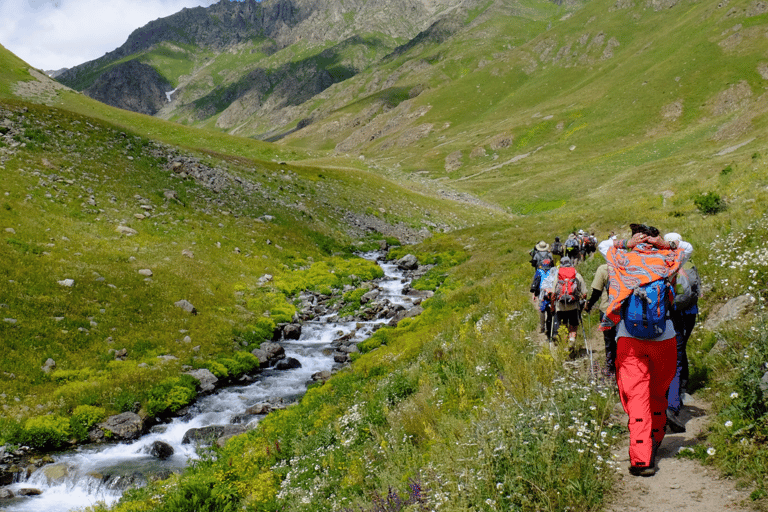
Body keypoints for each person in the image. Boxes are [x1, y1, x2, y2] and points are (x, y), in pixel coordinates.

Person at [601, 223, 684, 477]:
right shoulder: (668, 259)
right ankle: (656, 438)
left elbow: (603, 245)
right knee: (658, 393)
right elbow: (686, 247)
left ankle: (641, 458)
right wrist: (663, 244)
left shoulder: (622, 258)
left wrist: (627, 243)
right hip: (665, 337)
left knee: (637, 399)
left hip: (630, 339)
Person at [665, 232, 701, 433]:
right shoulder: (686, 261)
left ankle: (672, 397)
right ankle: (677, 396)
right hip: (686, 312)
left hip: (668, 315)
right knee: (679, 354)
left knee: (672, 356)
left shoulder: (662, 262)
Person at [584, 263, 617, 377]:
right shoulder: (627, 264)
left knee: (609, 341)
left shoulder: (603, 269)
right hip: (624, 309)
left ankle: (610, 368)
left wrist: (589, 304)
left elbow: (596, 292)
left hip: (607, 309)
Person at [551, 256, 587, 346]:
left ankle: (564, 344)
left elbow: (553, 294)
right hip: (573, 305)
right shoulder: (576, 275)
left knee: (563, 325)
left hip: (560, 306)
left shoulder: (558, 276)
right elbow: (585, 293)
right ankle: (571, 340)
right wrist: (581, 300)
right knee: (573, 325)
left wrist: (552, 307)